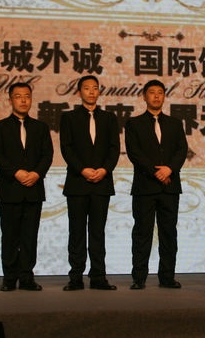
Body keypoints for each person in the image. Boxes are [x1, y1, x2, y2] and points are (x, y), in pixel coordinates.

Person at [125, 79, 188, 289]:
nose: (156, 96)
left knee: (168, 233)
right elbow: (135, 153)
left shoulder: (175, 123)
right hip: (144, 187)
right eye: (152, 92)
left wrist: (169, 169)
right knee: (142, 233)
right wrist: (156, 172)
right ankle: (139, 278)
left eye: (160, 92)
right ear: (144, 96)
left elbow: (181, 150)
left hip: (170, 187)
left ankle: (167, 277)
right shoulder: (134, 123)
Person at [0, 82, 53, 292]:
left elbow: (47, 155)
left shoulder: (40, 127)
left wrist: (36, 173)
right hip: (10, 189)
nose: (23, 100)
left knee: (29, 236)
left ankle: (26, 277)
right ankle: (9, 278)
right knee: (9, 236)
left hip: (33, 189)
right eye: (18, 96)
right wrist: (16, 172)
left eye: (27, 96)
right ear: (10, 100)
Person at [60, 75, 120, 291]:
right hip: (77, 182)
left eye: (95, 88)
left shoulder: (109, 118)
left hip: (101, 183)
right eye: (87, 88)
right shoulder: (69, 118)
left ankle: (98, 277)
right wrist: (82, 169)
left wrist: (104, 169)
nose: (91, 92)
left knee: (98, 232)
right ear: (79, 92)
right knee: (76, 232)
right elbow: (66, 148)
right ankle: (75, 277)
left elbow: (114, 148)